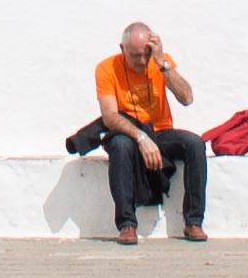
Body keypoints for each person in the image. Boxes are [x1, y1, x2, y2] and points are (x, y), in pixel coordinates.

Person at [90, 22, 212, 243]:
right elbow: (110, 116)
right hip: (128, 133)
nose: (142, 61)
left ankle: (194, 222)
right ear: (122, 49)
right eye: (135, 56)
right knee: (120, 146)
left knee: (195, 144)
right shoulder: (106, 68)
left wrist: (162, 64)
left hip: (161, 131)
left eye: (145, 54)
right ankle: (127, 225)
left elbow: (187, 98)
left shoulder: (160, 61)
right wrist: (141, 137)